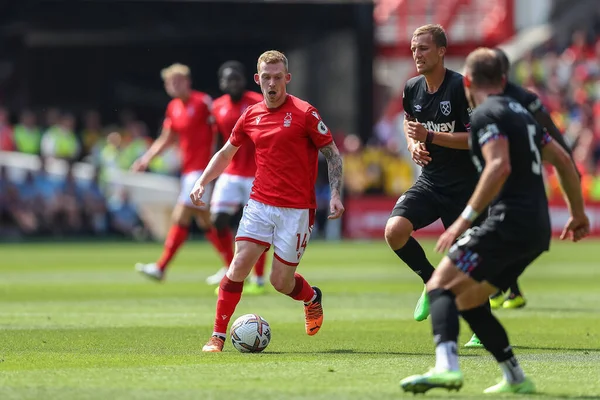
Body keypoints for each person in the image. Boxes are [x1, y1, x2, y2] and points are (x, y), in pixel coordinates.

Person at [400, 47, 589, 395]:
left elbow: (498, 165)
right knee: (470, 300)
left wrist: (463, 221)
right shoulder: (521, 112)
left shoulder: (486, 114)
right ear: (503, 79)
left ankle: (446, 367)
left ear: (468, 81)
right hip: (536, 228)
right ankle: (516, 378)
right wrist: (577, 213)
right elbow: (563, 159)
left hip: (507, 222)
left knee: (440, 284)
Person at [189, 50, 344, 352]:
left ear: (287, 78)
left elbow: (332, 154)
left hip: (297, 210)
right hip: (260, 203)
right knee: (238, 267)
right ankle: (217, 336)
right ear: (258, 80)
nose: (272, 84)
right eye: (267, 78)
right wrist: (202, 181)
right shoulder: (250, 115)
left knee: (280, 282)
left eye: (278, 77)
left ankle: (311, 297)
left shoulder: (305, 113)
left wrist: (336, 193)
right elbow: (226, 153)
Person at [383, 24, 482, 347]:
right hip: (431, 181)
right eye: (414, 48)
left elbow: (475, 139)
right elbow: (410, 124)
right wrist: (413, 147)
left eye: (423, 48)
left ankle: (483, 328)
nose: (417, 54)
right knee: (394, 231)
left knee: (467, 262)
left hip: (466, 187)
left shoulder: (460, 88)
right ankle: (429, 279)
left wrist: (431, 137)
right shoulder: (412, 88)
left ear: (441, 51)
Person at [488, 47, 577, 309]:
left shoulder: (522, 98)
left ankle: (497, 287)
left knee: (510, 232)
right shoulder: (480, 98)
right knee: (502, 231)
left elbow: (549, 127)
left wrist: (568, 160)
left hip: (520, 176)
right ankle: (509, 290)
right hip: (498, 174)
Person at [132, 63, 228, 281]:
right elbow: (167, 138)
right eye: (170, 82)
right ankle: (232, 267)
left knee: (182, 214)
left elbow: (222, 126)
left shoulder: (203, 102)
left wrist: (223, 161)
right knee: (206, 221)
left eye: (178, 81)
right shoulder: (173, 107)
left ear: (188, 82)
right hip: (188, 172)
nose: (174, 85)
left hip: (203, 171)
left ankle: (161, 267)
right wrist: (146, 159)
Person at [205, 60, 267, 294]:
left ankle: (259, 278)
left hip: (255, 172)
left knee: (256, 227)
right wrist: (211, 171)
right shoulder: (217, 107)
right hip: (230, 173)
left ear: (244, 80)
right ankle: (232, 268)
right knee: (218, 220)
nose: (232, 83)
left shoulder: (257, 102)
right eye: (228, 79)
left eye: (236, 78)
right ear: (222, 83)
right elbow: (217, 142)